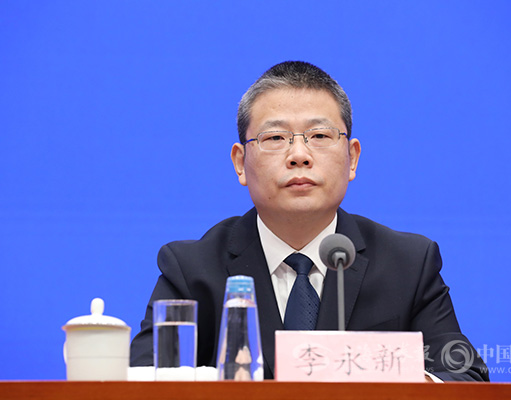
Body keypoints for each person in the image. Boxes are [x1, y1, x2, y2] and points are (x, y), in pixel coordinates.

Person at [130, 61, 489, 381]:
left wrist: (390, 378)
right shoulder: (192, 270)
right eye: (275, 137)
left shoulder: (408, 263)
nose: (299, 155)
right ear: (240, 162)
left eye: (319, 136)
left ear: (352, 158)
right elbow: (141, 382)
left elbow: (464, 376)